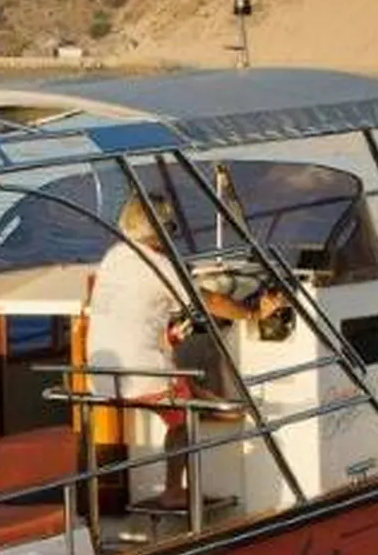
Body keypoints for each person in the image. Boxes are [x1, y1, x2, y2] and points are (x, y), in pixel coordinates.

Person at [86, 193, 279, 507]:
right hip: (139, 377)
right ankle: (175, 489)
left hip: (101, 376)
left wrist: (170, 334)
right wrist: (254, 313)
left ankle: (219, 403)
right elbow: (210, 301)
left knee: (182, 386)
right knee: (182, 415)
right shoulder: (161, 265)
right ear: (164, 229)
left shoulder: (114, 256)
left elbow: (134, 312)